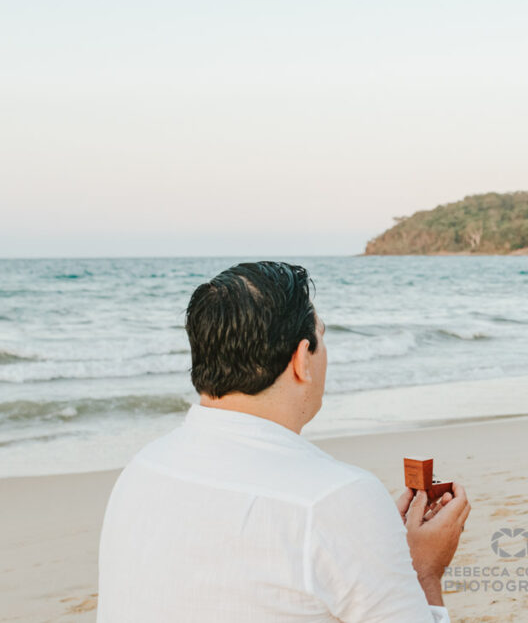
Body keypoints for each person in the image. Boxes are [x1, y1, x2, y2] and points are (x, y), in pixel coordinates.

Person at [97, 261, 470, 622]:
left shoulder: (143, 468)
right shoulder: (335, 499)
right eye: (322, 336)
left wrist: (370, 539)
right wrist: (423, 571)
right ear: (301, 360)